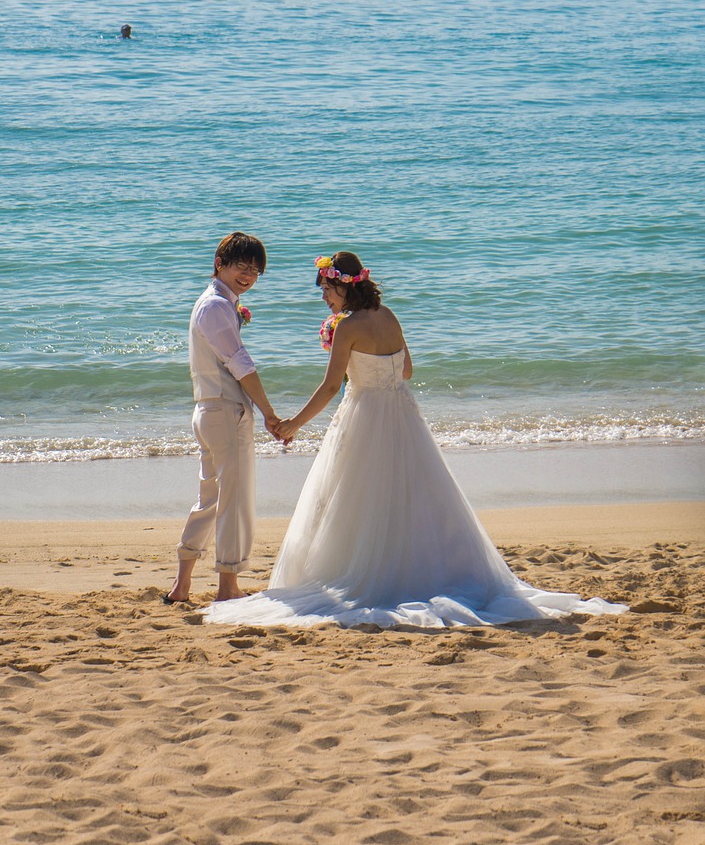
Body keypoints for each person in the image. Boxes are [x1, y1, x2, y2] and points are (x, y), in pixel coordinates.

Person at [201, 252, 627, 630]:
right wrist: (375, 372)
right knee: (417, 494)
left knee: (359, 497)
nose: (325, 300)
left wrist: (292, 423)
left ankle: (375, 573)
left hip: (365, 415)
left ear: (341, 287)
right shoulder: (388, 317)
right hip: (403, 414)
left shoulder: (348, 327)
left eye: (327, 291)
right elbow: (406, 372)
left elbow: (332, 387)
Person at [165, 232, 281, 604]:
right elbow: (240, 364)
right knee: (234, 499)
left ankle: (181, 587)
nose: (248, 275)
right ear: (220, 264)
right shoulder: (215, 306)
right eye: (241, 266)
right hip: (224, 411)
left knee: (211, 499)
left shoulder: (216, 303)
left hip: (210, 409)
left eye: (255, 270)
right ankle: (228, 587)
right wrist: (269, 412)